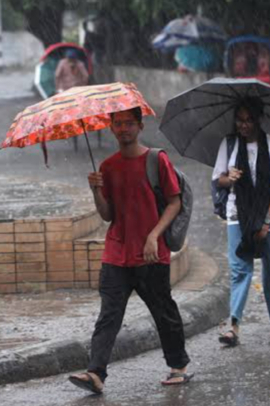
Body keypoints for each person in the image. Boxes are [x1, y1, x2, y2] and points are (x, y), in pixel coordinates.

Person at [68, 107, 193, 394]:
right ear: (110, 127)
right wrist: (96, 191)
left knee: (163, 311)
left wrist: (154, 235)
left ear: (139, 126)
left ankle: (178, 366)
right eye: (117, 124)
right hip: (116, 253)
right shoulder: (108, 167)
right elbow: (107, 215)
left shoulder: (156, 159)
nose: (123, 128)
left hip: (150, 253)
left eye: (128, 123)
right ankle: (95, 373)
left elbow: (174, 202)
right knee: (109, 315)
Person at [212, 98, 270, 347]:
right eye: (240, 120)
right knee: (239, 269)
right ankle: (233, 325)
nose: (244, 125)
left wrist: (267, 221)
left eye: (249, 120)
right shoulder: (228, 145)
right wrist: (231, 178)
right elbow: (218, 180)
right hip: (238, 214)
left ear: (258, 120)